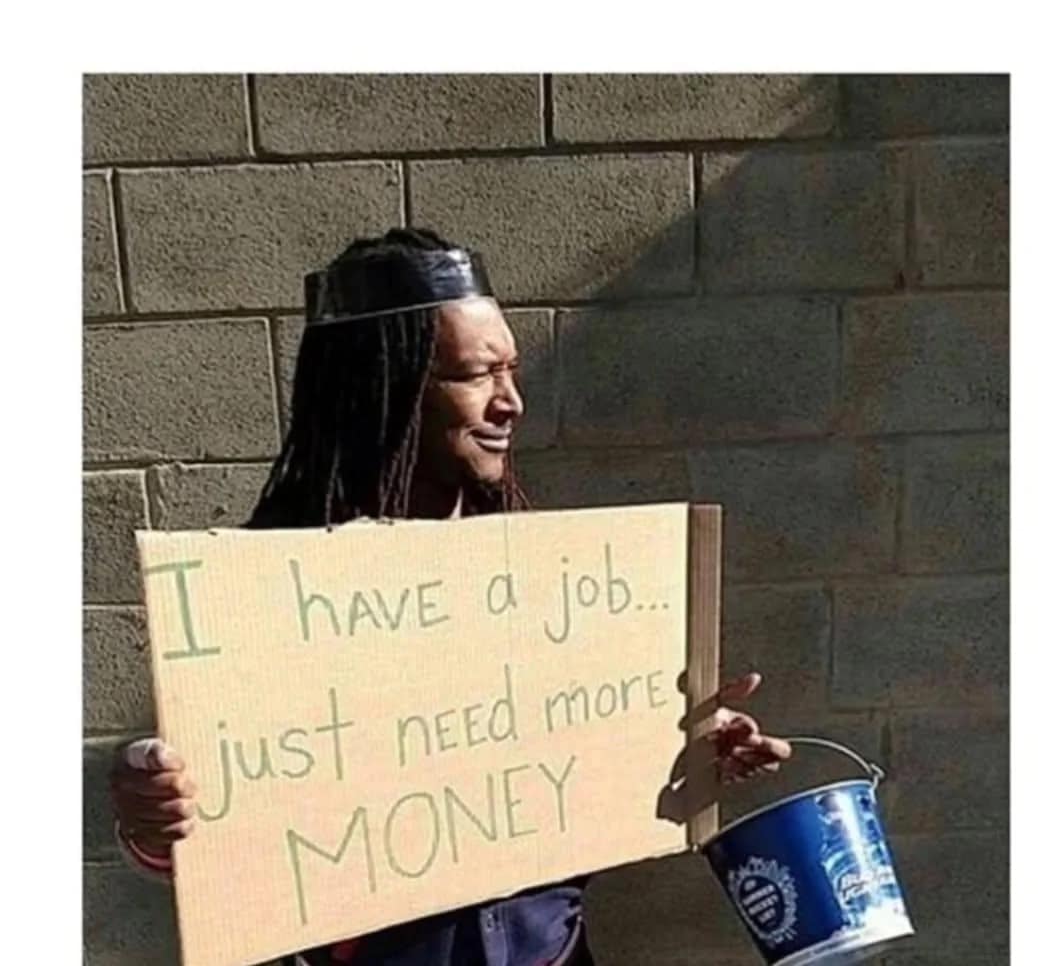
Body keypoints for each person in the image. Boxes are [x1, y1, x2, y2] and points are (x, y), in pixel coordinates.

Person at [109, 228, 793, 966]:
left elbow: (568, 759)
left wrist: (684, 744)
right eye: (477, 374)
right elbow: (221, 838)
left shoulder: (549, 580)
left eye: (513, 369)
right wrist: (154, 822)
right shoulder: (262, 600)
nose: (513, 402)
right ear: (389, 390)